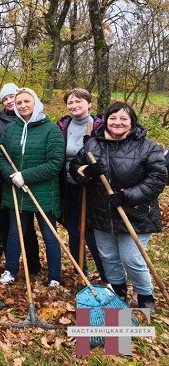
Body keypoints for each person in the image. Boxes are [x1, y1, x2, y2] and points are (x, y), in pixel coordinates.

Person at [70, 102, 166, 312]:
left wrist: (126, 196)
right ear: (106, 121)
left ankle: (145, 295)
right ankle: (118, 292)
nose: (117, 122)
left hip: (136, 213)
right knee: (108, 257)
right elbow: (75, 168)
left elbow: (158, 179)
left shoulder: (147, 146)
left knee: (131, 258)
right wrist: (86, 171)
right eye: (113, 118)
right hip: (102, 212)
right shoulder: (92, 144)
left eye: (123, 118)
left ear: (132, 121)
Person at [0, 88, 64, 287]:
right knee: (15, 233)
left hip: (44, 194)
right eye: (19, 103)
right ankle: (10, 270)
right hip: (16, 192)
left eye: (27, 101)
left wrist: (24, 176)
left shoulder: (51, 130)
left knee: (49, 236)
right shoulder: (11, 129)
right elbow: (0, 155)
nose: (23, 105)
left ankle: (54, 277)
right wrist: (12, 175)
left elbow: (55, 163)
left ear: (36, 103)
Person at [0, 83, 40, 274]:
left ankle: (33, 265)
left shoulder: (32, 120)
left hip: (27, 181)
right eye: (6, 99)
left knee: (27, 228)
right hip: (3, 181)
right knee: (5, 225)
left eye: (12, 97)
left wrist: (25, 175)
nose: (10, 101)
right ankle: (10, 265)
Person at [57, 88, 106, 283]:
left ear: (89, 103)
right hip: (69, 186)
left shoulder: (100, 127)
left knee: (92, 233)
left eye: (79, 101)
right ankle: (80, 273)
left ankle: (107, 277)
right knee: (74, 231)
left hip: (93, 188)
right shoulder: (63, 126)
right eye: (70, 102)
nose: (74, 105)